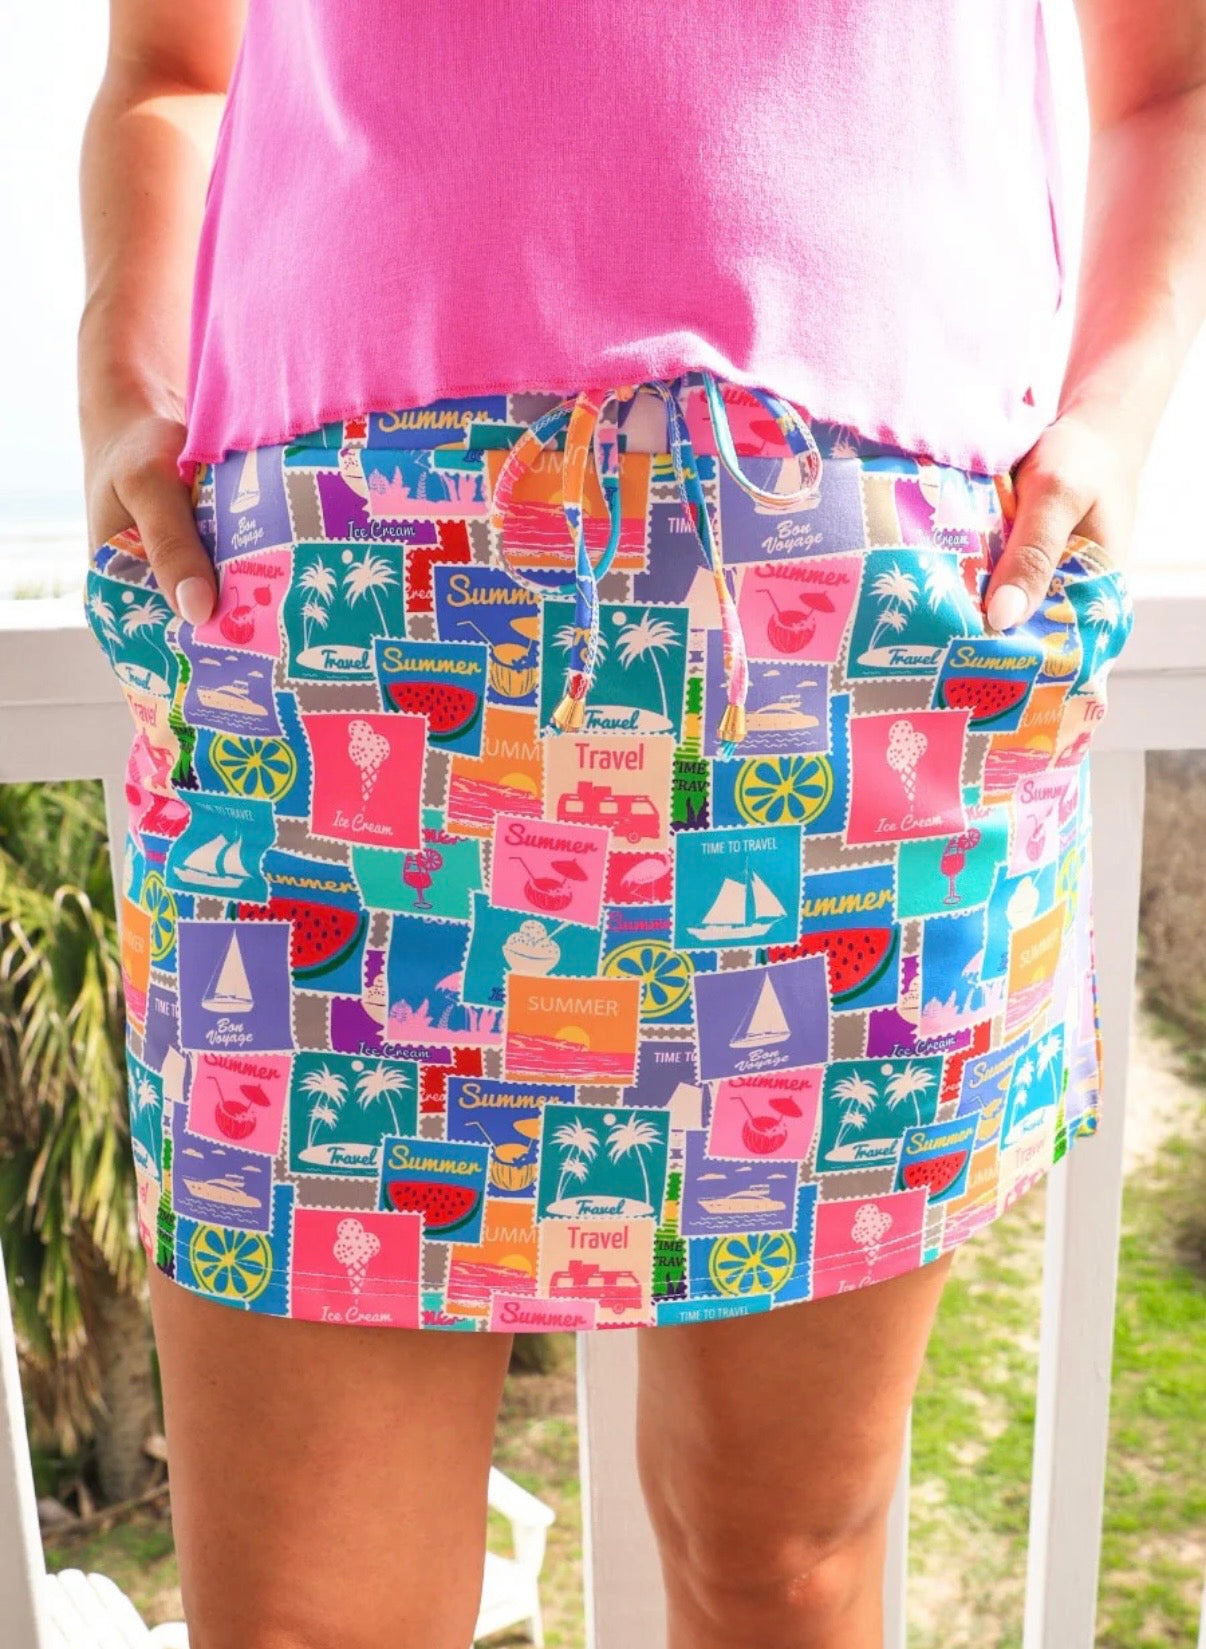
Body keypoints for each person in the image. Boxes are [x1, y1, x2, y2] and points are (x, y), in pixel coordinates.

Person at [76, 3, 1206, 1646]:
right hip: (336, 668)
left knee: (780, 1561)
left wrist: (1112, 410)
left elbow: (1168, 79)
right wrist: (122, 369)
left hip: (851, 691)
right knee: (304, 1621)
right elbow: (172, 70)